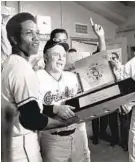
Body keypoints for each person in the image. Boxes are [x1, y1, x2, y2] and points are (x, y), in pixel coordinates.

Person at [1, 12, 73, 162]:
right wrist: (63, 123)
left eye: (37, 32)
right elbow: (31, 118)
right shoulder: (22, 69)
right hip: (22, 145)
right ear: (14, 39)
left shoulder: (10, 63)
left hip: (9, 140)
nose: (36, 37)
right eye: (28, 33)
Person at [36, 18, 105, 162]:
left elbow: (98, 63)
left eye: (63, 54)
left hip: (78, 132)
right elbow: (29, 109)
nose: (61, 58)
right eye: (56, 54)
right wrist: (54, 109)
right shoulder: (36, 76)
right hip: (53, 138)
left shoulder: (72, 74)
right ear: (45, 57)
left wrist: (101, 37)